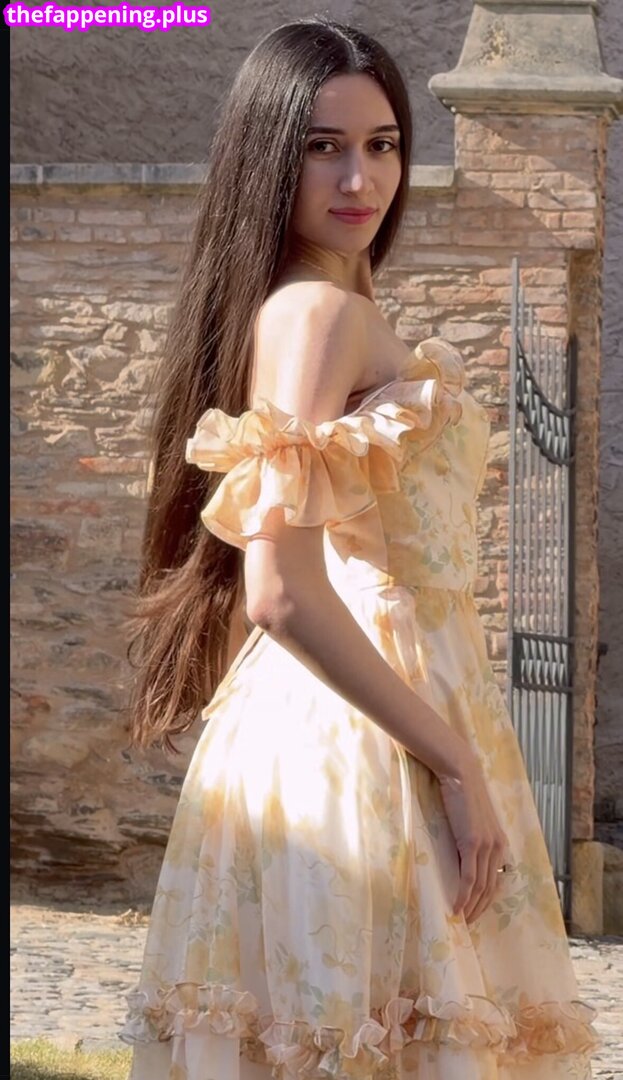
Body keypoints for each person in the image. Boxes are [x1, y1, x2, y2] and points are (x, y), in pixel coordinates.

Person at [119, 16, 600, 1080]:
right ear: (268, 158)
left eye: (381, 144)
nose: (360, 177)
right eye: (321, 147)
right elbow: (279, 591)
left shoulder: (330, 304)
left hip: (374, 711)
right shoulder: (317, 316)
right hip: (368, 737)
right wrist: (454, 761)